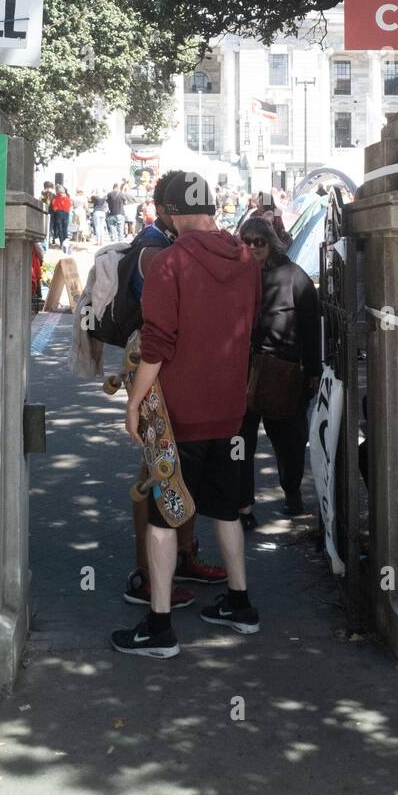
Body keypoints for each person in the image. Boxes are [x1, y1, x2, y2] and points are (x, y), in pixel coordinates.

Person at [111, 172, 261, 659]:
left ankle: (159, 627)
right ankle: (240, 604)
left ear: (170, 212)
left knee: (161, 517)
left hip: (178, 417)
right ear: (211, 207)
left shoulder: (169, 263)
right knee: (225, 508)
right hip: (229, 411)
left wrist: (133, 403)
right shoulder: (245, 259)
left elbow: (156, 345)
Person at [121, 171, 227, 611]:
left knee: (177, 477)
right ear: (165, 210)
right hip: (155, 381)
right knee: (156, 478)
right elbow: (165, 327)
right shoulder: (153, 250)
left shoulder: (167, 244)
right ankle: (147, 577)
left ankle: (184, 556)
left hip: (171, 379)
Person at [238, 217, 321, 524]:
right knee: (240, 443)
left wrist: (313, 372)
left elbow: (312, 329)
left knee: (289, 441)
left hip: (282, 371)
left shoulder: (294, 276)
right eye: (246, 241)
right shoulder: (237, 275)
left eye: (259, 241)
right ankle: (243, 505)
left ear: (270, 241)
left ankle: (293, 494)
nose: (253, 247)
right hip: (244, 370)